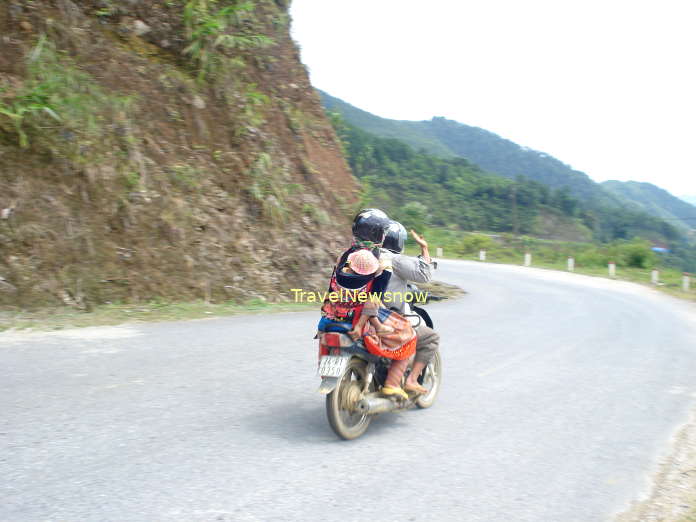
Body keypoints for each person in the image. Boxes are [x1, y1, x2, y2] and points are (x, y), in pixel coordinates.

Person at [382, 221, 439, 395]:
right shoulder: (394, 259)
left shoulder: (360, 255)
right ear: (398, 241)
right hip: (384, 316)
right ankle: (411, 380)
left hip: (355, 312)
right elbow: (424, 274)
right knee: (429, 337)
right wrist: (425, 249)